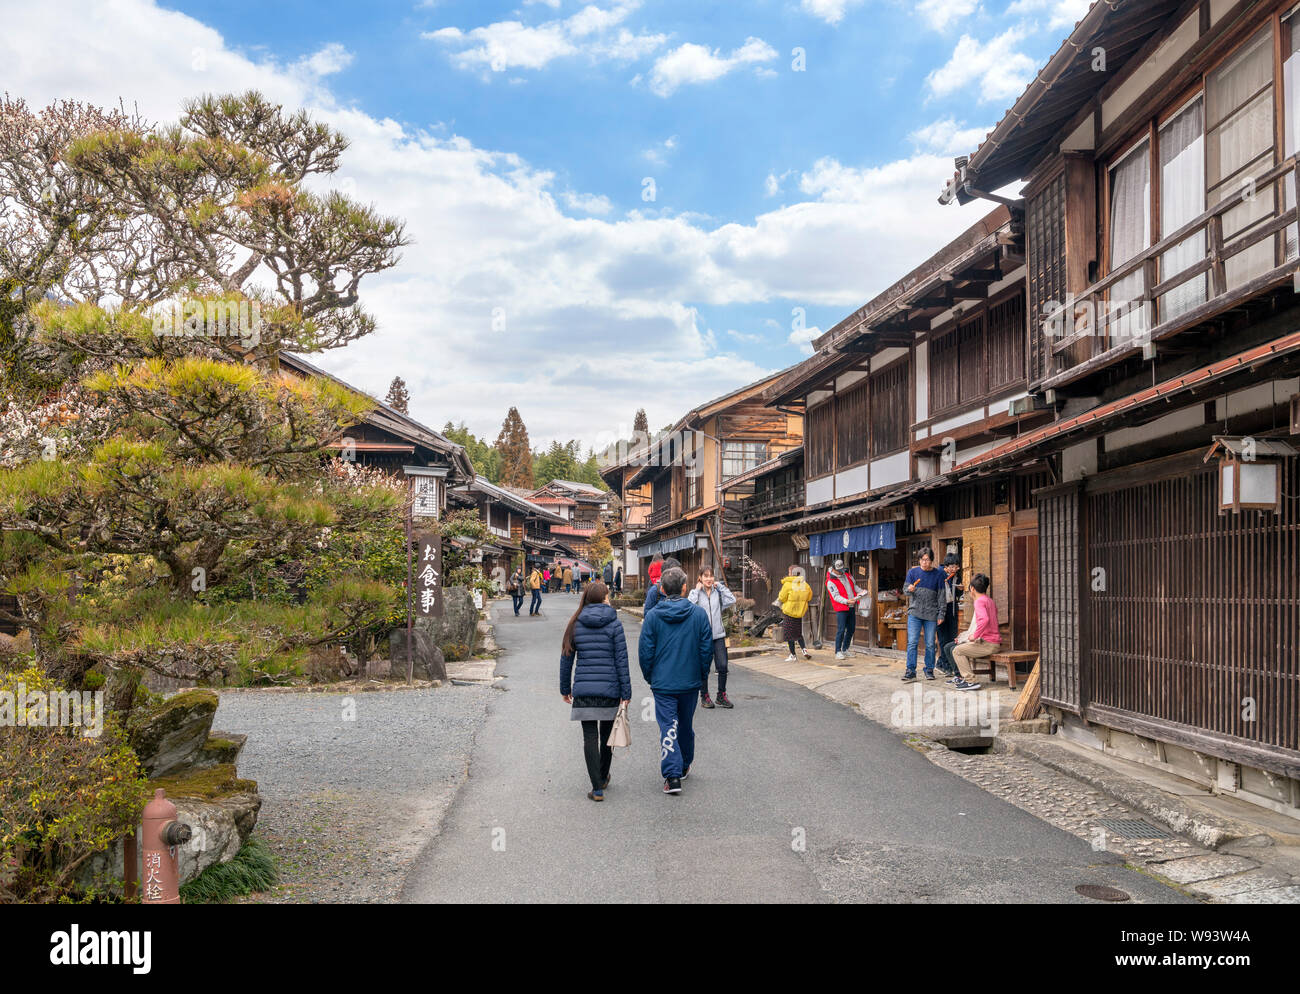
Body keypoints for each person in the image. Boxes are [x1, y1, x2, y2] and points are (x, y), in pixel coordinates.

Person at [638, 567, 713, 795]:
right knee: (685, 724)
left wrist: (650, 676)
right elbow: (706, 649)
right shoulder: (698, 614)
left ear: (661, 589)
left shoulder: (652, 617)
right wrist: (701, 676)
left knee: (668, 725)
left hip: (663, 682)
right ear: (684, 588)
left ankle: (672, 776)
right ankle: (683, 764)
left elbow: (645, 652)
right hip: (690, 681)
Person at [560, 581, 632, 801]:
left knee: (589, 737)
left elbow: (566, 658)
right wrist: (626, 693)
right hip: (610, 690)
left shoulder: (575, 623)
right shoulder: (614, 623)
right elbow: (622, 660)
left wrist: (565, 688)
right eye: (607, 596)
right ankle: (602, 776)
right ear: (603, 598)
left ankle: (597, 788)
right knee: (606, 737)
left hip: (584, 690)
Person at [687, 566, 737, 709]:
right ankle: (705, 696)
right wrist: (696, 590)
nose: (709, 579)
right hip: (702, 638)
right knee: (704, 668)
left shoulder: (718, 593)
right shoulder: (695, 593)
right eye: (706, 576)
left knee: (722, 666)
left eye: (711, 576)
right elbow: (689, 607)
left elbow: (732, 600)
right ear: (700, 578)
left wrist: (720, 587)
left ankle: (721, 695)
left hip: (718, 635)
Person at [949, 573, 999, 691]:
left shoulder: (979, 601)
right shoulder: (989, 601)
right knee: (960, 648)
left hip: (988, 644)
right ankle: (967, 679)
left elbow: (984, 619)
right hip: (993, 643)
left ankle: (971, 681)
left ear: (972, 588)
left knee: (957, 650)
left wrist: (974, 635)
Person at [903, 547, 944, 682]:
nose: (924, 562)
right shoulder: (913, 572)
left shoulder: (938, 574)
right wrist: (910, 589)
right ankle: (910, 670)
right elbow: (905, 590)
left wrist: (941, 614)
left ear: (931, 560)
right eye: (922, 559)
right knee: (912, 642)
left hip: (931, 614)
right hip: (915, 612)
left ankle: (929, 669)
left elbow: (941, 596)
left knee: (930, 643)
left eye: (927, 560)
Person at [825, 559, 867, 660]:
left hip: (851, 605)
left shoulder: (847, 573)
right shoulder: (830, 581)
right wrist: (847, 601)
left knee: (851, 629)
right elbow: (835, 596)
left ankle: (845, 649)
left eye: (841, 569)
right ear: (833, 569)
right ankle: (838, 651)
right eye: (838, 570)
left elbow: (854, 586)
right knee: (841, 629)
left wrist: (862, 591)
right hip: (841, 607)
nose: (841, 572)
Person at [778, 566, 813, 661]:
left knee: (789, 634)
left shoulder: (788, 585)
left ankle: (793, 655)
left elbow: (781, 598)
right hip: (799, 613)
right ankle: (804, 650)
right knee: (798, 633)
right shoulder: (805, 585)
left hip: (789, 612)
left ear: (791, 573)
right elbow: (809, 597)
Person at [936, 553, 963, 676]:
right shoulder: (938, 574)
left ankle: (946, 664)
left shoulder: (957, 576)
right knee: (942, 638)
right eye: (953, 566)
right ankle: (944, 665)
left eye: (957, 566)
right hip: (940, 609)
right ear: (946, 566)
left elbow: (955, 595)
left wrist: (959, 590)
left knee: (952, 638)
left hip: (952, 609)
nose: (955, 569)